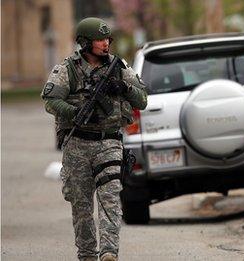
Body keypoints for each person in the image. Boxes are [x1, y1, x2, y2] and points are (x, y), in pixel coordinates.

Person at [41, 17, 147, 261]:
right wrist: (73, 112)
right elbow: (50, 100)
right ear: (85, 42)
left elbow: (142, 100)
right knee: (82, 207)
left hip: (109, 142)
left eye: (107, 39)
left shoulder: (119, 67)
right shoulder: (68, 69)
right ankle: (87, 254)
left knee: (111, 199)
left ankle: (109, 252)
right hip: (77, 144)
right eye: (100, 39)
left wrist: (124, 88)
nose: (105, 44)